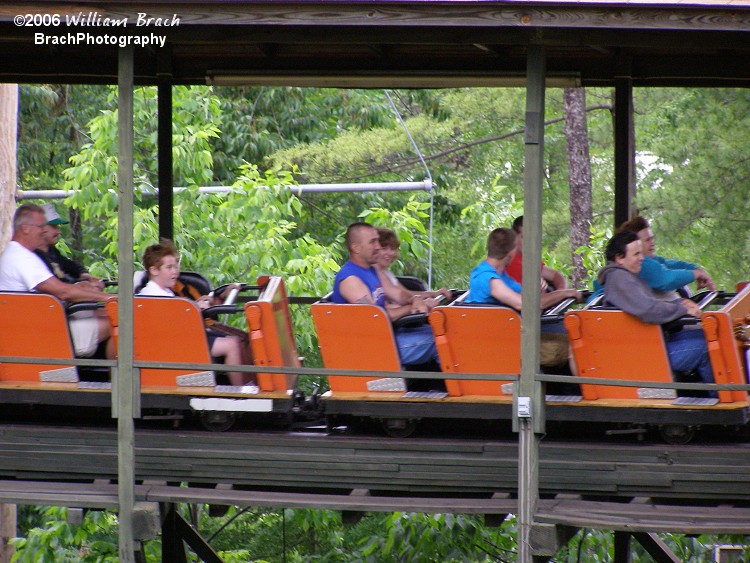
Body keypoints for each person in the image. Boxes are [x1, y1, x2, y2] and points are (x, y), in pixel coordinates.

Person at [598, 230, 716, 396]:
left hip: (650, 344)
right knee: (707, 346)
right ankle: (722, 401)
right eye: (636, 254)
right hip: (646, 354)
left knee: (706, 334)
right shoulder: (619, 278)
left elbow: (650, 304)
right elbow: (648, 309)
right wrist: (682, 309)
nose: (642, 258)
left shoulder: (627, 276)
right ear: (619, 258)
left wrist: (679, 303)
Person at [0, 203, 113, 358]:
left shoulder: (19, 254)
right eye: (41, 227)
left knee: (106, 313)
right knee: (123, 321)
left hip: (41, 327)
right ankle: (121, 380)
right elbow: (63, 292)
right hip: (44, 335)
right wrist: (110, 298)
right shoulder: (22, 258)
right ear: (25, 228)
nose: (43, 231)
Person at [138, 239, 253, 387]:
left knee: (237, 338)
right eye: (169, 267)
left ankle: (246, 385)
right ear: (154, 270)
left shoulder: (164, 291)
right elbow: (169, 323)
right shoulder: (151, 295)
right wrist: (195, 308)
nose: (175, 271)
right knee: (232, 344)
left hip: (180, 339)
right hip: (174, 345)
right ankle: (242, 392)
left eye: (176, 265)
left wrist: (202, 303)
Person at [465, 227, 583, 367]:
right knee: (577, 345)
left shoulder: (499, 275)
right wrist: (564, 293)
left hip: (510, 336)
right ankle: (586, 388)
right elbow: (524, 304)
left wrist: (541, 291)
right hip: (498, 344)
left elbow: (532, 302)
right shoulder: (488, 278)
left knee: (574, 334)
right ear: (511, 252)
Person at [332, 222, 439, 369]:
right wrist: (411, 307)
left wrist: (417, 300)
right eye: (372, 242)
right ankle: (461, 388)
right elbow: (377, 317)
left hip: (389, 337)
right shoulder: (350, 279)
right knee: (440, 340)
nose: (377, 246)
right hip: (372, 349)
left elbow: (399, 295)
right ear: (355, 248)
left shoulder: (371, 269)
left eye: (377, 240)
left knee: (445, 329)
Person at [618, 216, 716, 299]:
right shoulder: (639, 264)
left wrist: (696, 269)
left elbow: (669, 264)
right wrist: (696, 274)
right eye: (647, 240)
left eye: (652, 239)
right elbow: (666, 279)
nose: (652, 243)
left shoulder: (651, 261)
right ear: (635, 244)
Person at [375, 227, 451, 310]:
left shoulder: (385, 272)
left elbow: (405, 294)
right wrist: (419, 305)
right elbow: (383, 308)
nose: (389, 253)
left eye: (392, 249)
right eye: (384, 249)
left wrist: (433, 294)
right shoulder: (372, 273)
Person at [35, 203, 104, 290]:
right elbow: (53, 287)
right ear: (41, 229)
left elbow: (69, 265)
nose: (58, 232)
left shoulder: (52, 251)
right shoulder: (33, 257)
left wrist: (83, 274)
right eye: (54, 227)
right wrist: (78, 287)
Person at [505, 216, 568, 292]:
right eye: (524, 237)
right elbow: (527, 301)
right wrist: (562, 294)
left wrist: (561, 290)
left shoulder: (528, 259)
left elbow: (555, 275)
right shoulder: (510, 262)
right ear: (514, 237)